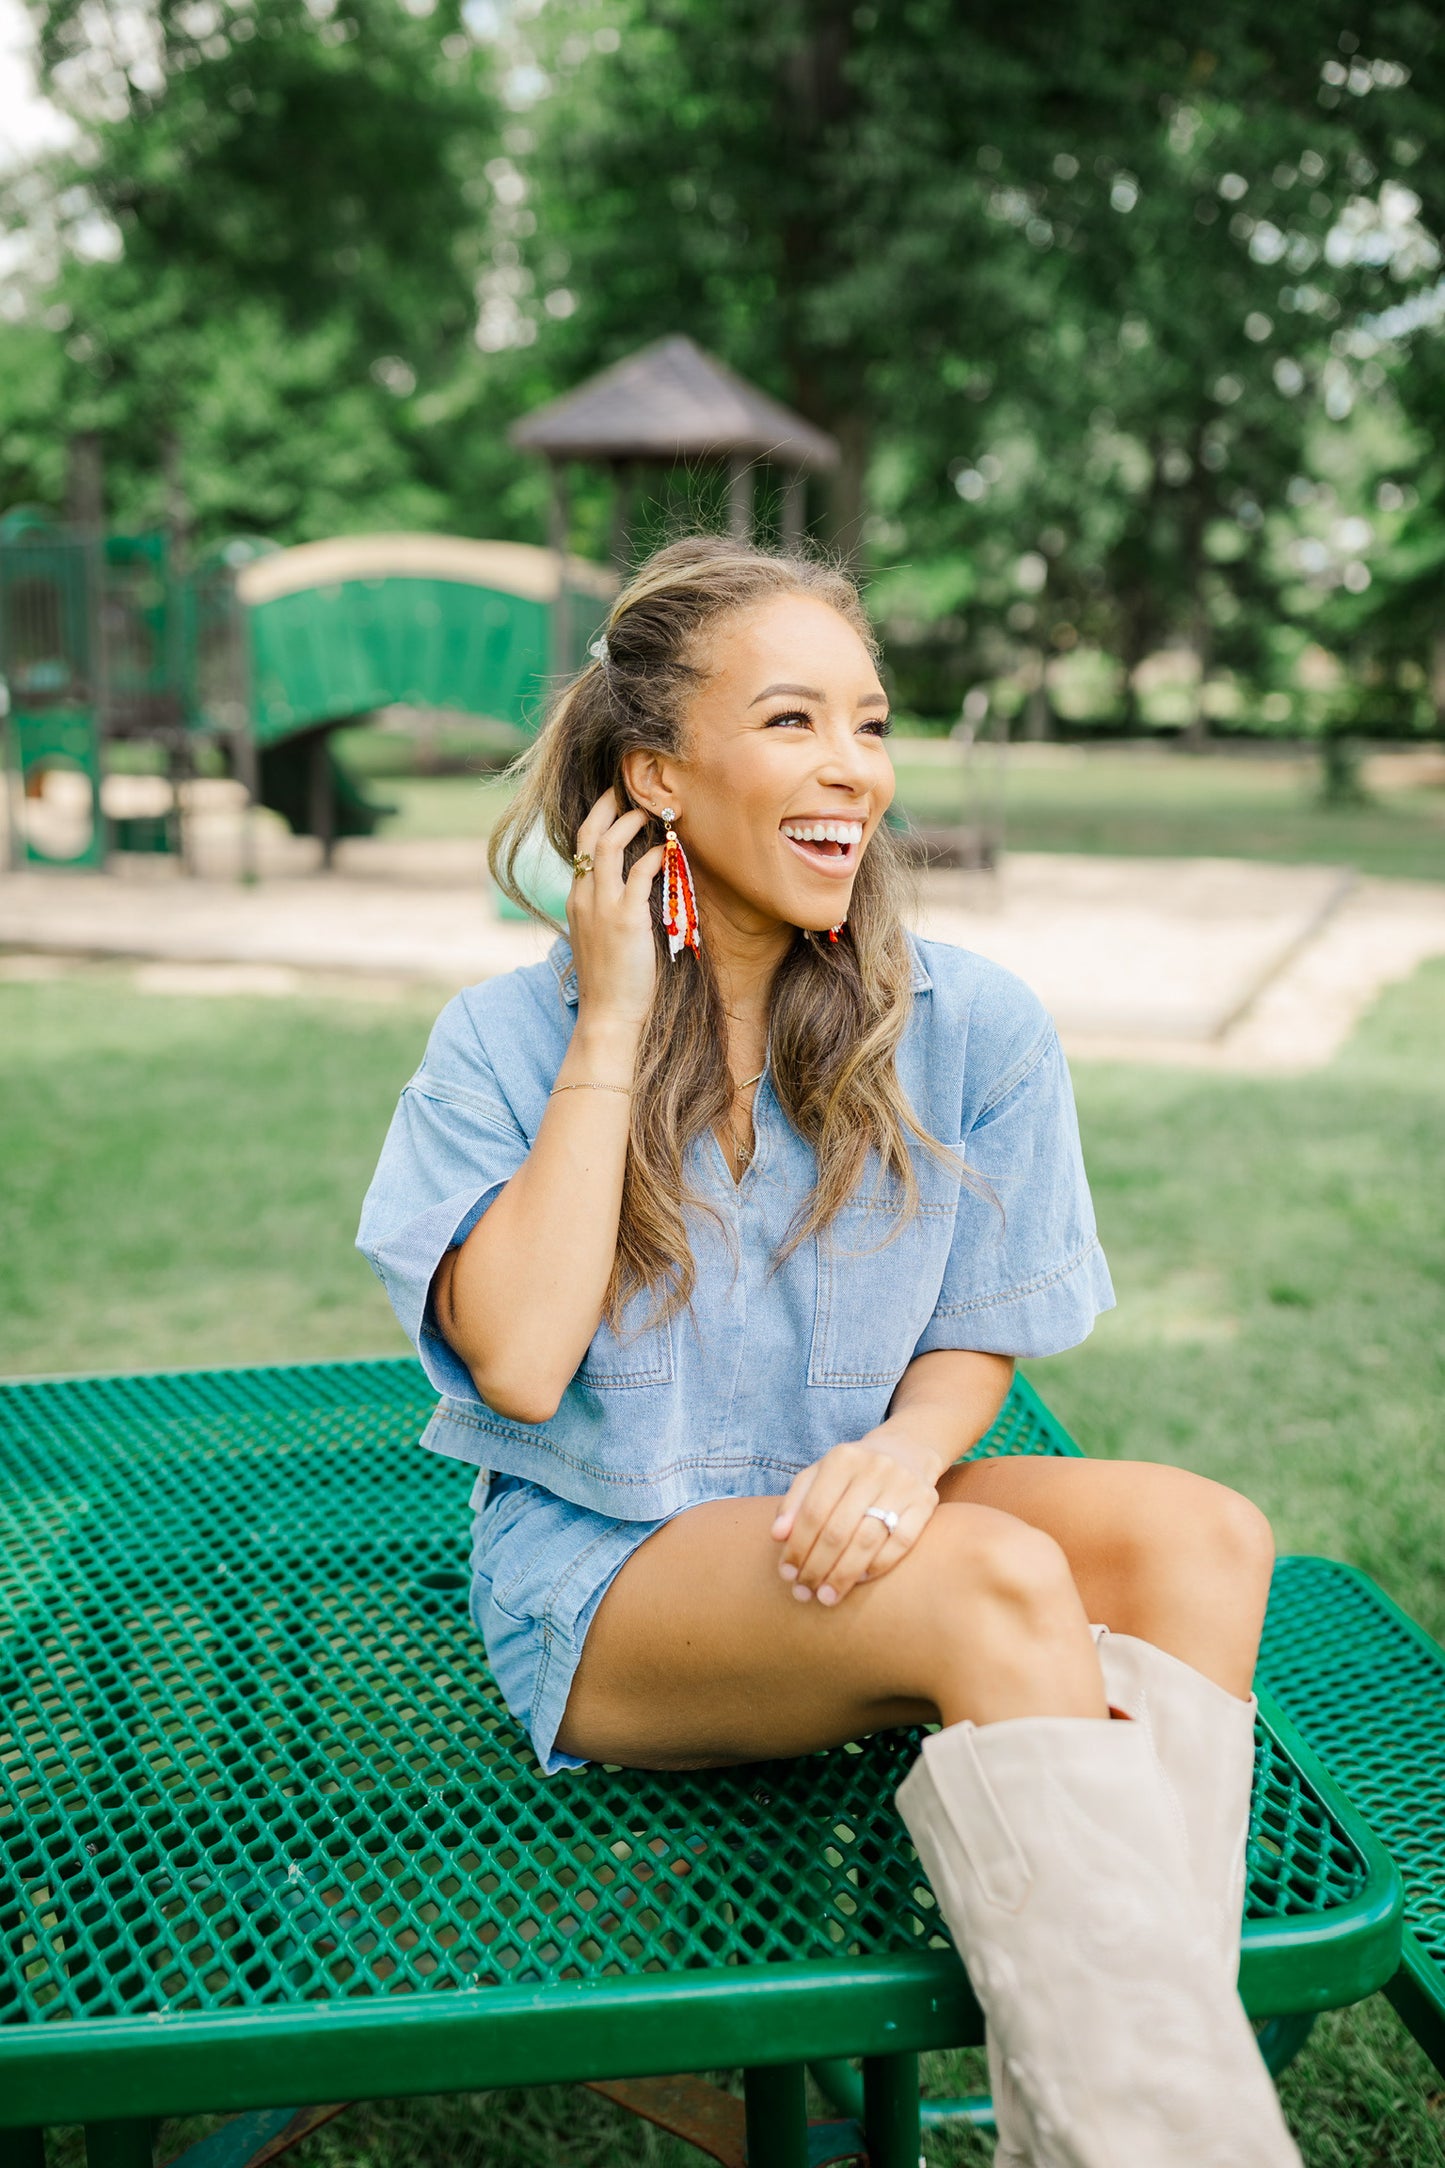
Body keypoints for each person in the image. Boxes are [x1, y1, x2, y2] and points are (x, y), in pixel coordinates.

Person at [357, 533, 1301, 2166]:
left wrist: (901, 1452)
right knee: (992, 1579)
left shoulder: (966, 1020)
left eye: (869, 724)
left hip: (855, 1519)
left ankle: (1133, 2112)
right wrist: (608, 1021)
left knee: (1196, 1535)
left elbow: (974, 1333)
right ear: (654, 772)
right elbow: (514, 1360)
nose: (852, 771)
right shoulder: (504, 1041)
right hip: (612, 1577)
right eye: (793, 723)